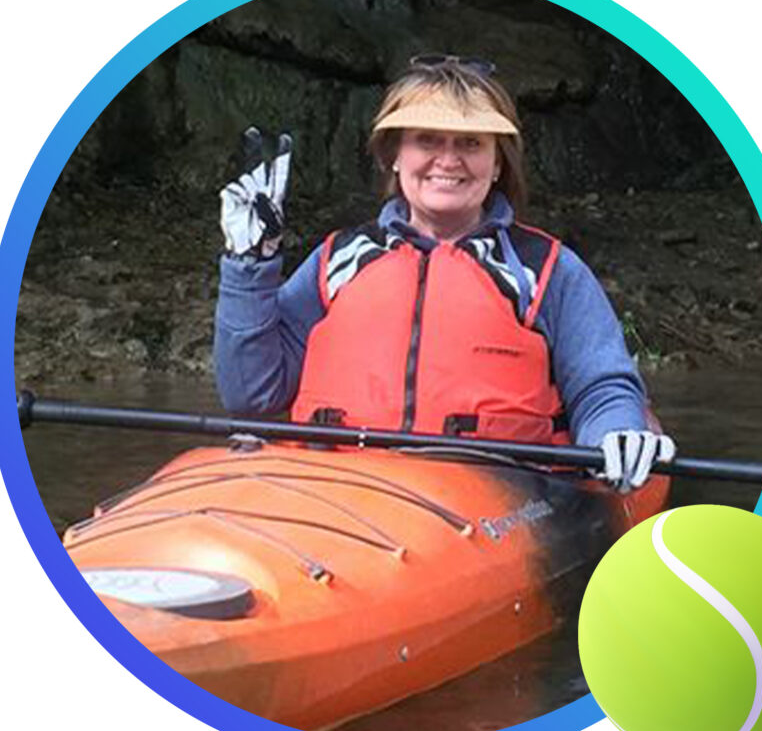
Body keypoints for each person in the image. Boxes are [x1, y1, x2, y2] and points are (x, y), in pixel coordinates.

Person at [214, 55, 675, 492]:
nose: (448, 160)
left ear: (497, 163)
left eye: (471, 144)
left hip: (496, 495)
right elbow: (253, 398)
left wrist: (616, 433)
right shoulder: (336, 260)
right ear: (394, 156)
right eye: (427, 140)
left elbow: (602, 387)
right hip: (333, 486)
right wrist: (249, 263)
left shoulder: (547, 271)